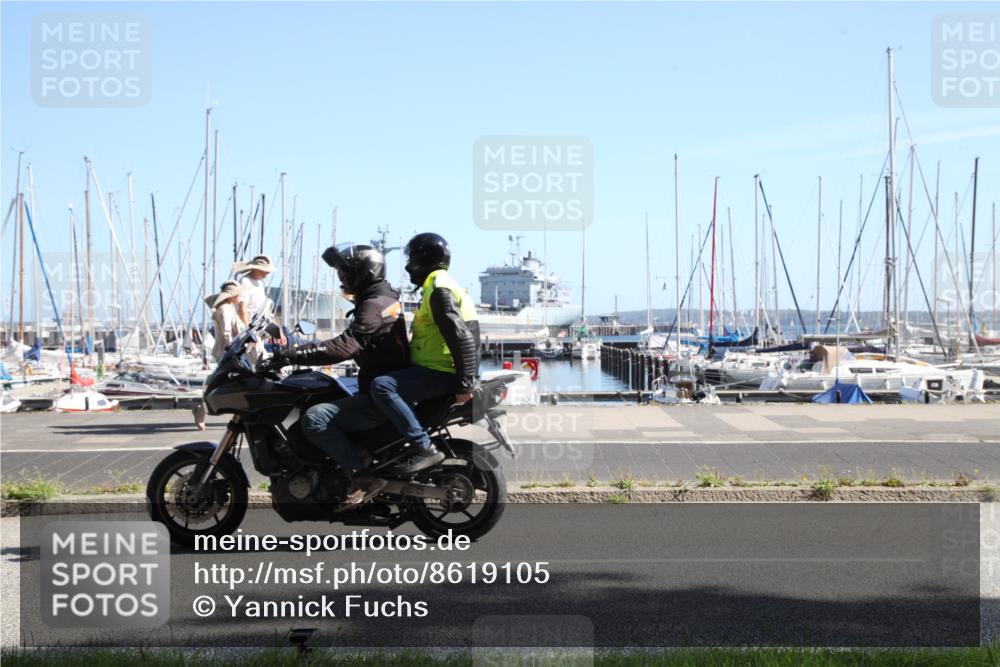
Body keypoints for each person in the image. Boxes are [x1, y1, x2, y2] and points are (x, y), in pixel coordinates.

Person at [266, 244, 409, 505]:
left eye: (346, 273)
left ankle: (362, 478)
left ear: (363, 274)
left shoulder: (375, 304)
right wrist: (296, 348)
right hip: (380, 389)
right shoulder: (379, 298)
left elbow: (345, 346)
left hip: (381, 398)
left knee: (314, 419)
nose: (342, 279)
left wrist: (292, 355)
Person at [369, 233, 480, 475]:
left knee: (382, 386)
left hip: (443, 372)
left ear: (423, 259)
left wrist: (465, 383)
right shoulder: (441, 285)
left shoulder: (439, 290)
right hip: (440, 369)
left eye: (411, 259)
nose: (409, 266)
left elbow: (460, 336)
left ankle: (423, 447)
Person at [193, 281, 246, 430]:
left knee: (223, 382)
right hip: (226, 352)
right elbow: (227, 332)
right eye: (239, 294)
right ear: (232, 296)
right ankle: (201, 409)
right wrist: (232, 349)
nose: (241, 296)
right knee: (224, 383)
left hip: (226, 351)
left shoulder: (228, 308)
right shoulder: (225, 309)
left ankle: (201, 410)